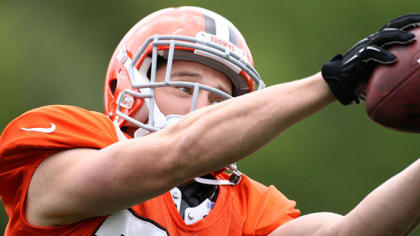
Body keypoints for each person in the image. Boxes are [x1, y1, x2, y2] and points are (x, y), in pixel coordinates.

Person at [0, 6, 419, 235]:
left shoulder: (246, 209)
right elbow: (175, 154)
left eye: (220, 102)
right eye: (184, 87)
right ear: (128, 84)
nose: (202, 109)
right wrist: (330, 82)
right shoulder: (69, 142)